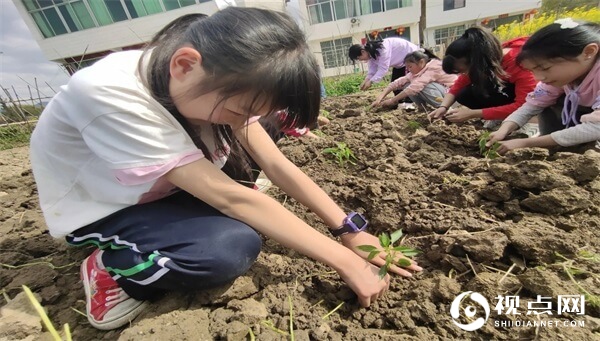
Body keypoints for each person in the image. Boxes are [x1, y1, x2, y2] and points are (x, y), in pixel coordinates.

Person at [29, 8, 421, 331]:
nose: (244, 120)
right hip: (111, 205)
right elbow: (232, 199)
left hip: (168, 185)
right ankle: (114, 268)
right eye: (240, 110)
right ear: (185, 64)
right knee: (224, 249)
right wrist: (348, 263)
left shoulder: (200, 83)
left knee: (260, 140)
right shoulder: (108, 93)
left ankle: (192, 214)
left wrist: (350, 230)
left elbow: (275, 162)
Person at [486, 19, 599, 154]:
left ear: (589, 52)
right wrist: (504, 128)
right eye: (533, 71)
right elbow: (533, 104)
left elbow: (596, 127)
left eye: (545, 68)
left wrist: (527, 142)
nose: (538, 78)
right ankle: (558, 147)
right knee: (546, 101)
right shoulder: (566, 76)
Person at [428, 26, 537, 124]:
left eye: (465, 71)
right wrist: (443, 107)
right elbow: (458, 85)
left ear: (477, 61)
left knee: (479, 90)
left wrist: (473, 114)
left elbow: (524, 106)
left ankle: (508, 120)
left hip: (530, 106)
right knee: (464, 93)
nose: (464, 75)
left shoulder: (522, 65)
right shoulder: (485, 62)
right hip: (504, 95)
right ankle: (495, 116)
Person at [371, 49, 458, 109]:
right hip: (444, 93)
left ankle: (443, 108)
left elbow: (415, 87)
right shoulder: (417, 71)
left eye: (410, 66)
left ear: (421, 62)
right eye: (407, 67)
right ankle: (423, 108)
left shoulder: (433, 67)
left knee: (421, 86)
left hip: (454, 96)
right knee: (406, 84)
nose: (408, 69)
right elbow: (397, 82)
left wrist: (392, 100)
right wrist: (379, 98)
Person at [348, 37, 420, 94]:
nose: (360, 60)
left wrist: (371, 82)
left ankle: (408, 103)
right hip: (400, 64)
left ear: (362, 52)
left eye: (358, 58)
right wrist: (366, 80)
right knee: (395, 86)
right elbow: (372, 70)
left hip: (411, 59)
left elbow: (383, 69)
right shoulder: (371, 54)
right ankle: (400, 103)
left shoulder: (382, 49)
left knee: (405, 83)